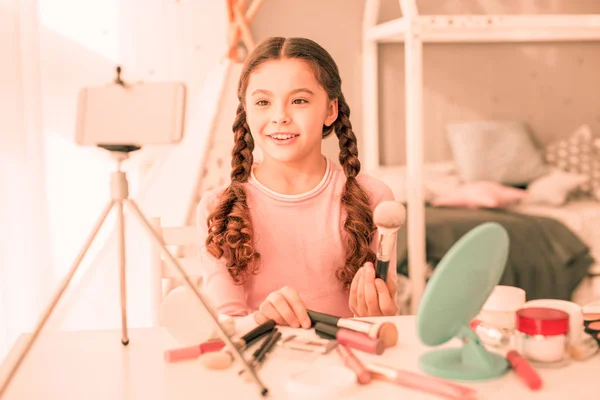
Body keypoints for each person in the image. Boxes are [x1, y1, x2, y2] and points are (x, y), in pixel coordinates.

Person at [196, 36, 398, 329]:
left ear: (331, 110)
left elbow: (383, 317)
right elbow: (225, 327)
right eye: (263, 102)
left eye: (299, 100)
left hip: (345, 363)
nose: (280, 117)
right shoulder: (218, 209)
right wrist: (261, 320)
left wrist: (381, 313)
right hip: (259, 366)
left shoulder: (374, 199)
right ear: (246, 112)